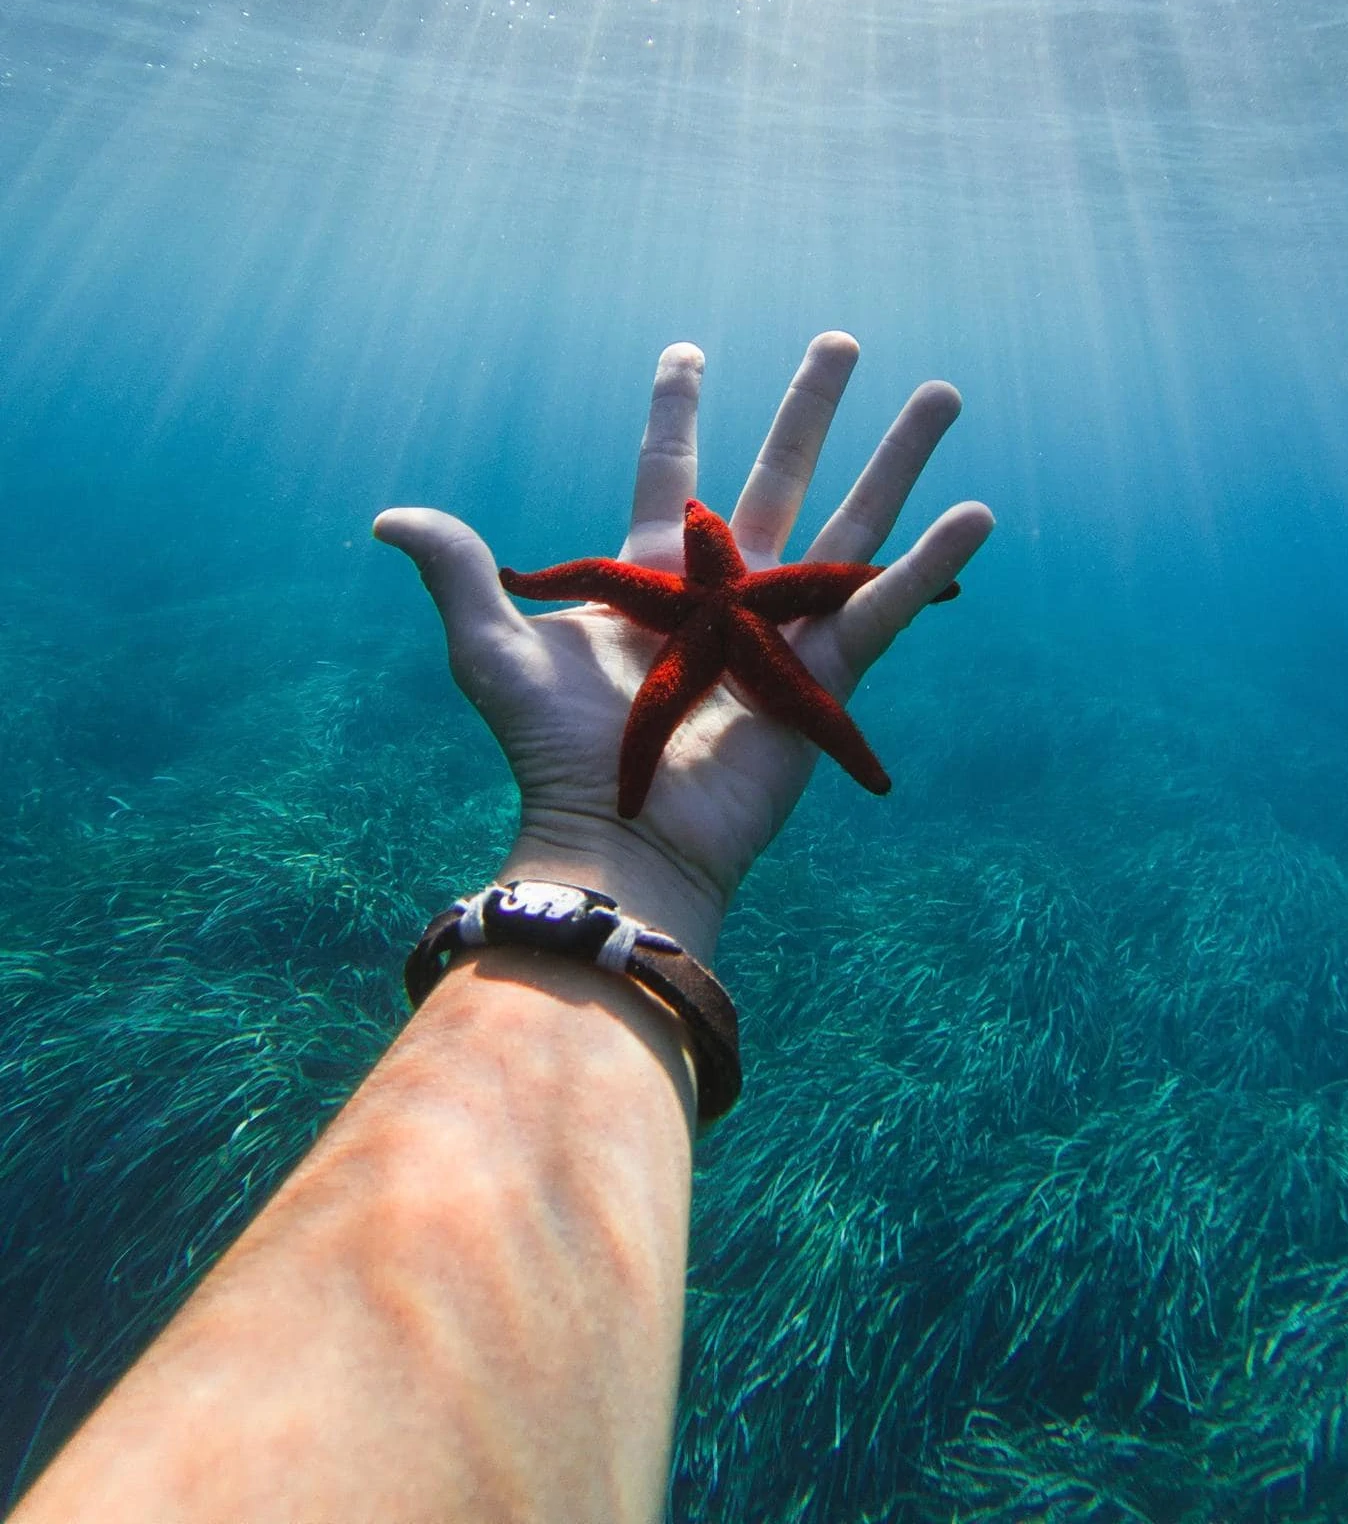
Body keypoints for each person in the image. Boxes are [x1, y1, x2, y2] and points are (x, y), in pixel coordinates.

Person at [11, 331, 993, 1524]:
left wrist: (616, 837)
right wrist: (638, 859)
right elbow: (710, 613)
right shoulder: (692, 605)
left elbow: (750, 605)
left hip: (625, 849)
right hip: (646, 865)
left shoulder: (701, 606)